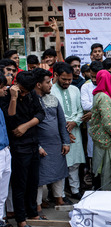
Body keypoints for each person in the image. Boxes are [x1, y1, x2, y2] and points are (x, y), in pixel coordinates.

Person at [1, 71, 45, 227]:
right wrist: (13, 98)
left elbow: (41, 113)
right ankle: (21, 220)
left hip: (33, 142)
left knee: (33, 181)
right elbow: (10, 118)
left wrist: (26, 125)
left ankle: (33, 213)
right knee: (20, 185)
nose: (25, 93)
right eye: (24, 90)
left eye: (28, 91)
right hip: (18, 146)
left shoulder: (31, 93)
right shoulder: (7, 94)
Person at [33, 68, 70, 209]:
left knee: (59, 172)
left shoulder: (53, 99)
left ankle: (59, 199)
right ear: (38, 84)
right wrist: (38, 146)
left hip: (56, 144)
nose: (51, 85)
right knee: (40, 177)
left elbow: (62, 122)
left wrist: (65, 141)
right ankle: (38, 206)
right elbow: (31, 129)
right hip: (40, 145)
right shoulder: (30, 101)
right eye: (48, 82)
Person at [51, 63, 86, 200]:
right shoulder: (51, 90)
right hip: (58, 131)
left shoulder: (75, 90)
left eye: (69, 79)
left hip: (75, 129)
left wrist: (74, 123)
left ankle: (75, 190)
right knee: (62, 163)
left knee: (75, 163)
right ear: (56, 76)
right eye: (64, 79)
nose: (67, 82)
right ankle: (61, 194)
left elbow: (80, 110)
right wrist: (65, 126)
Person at [0, 72, 21, 227]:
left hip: (5, 150)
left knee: (2, 195)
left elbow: (10, 117)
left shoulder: (2, 103)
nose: (5, 90)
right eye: (2, 87)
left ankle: (1, 226)